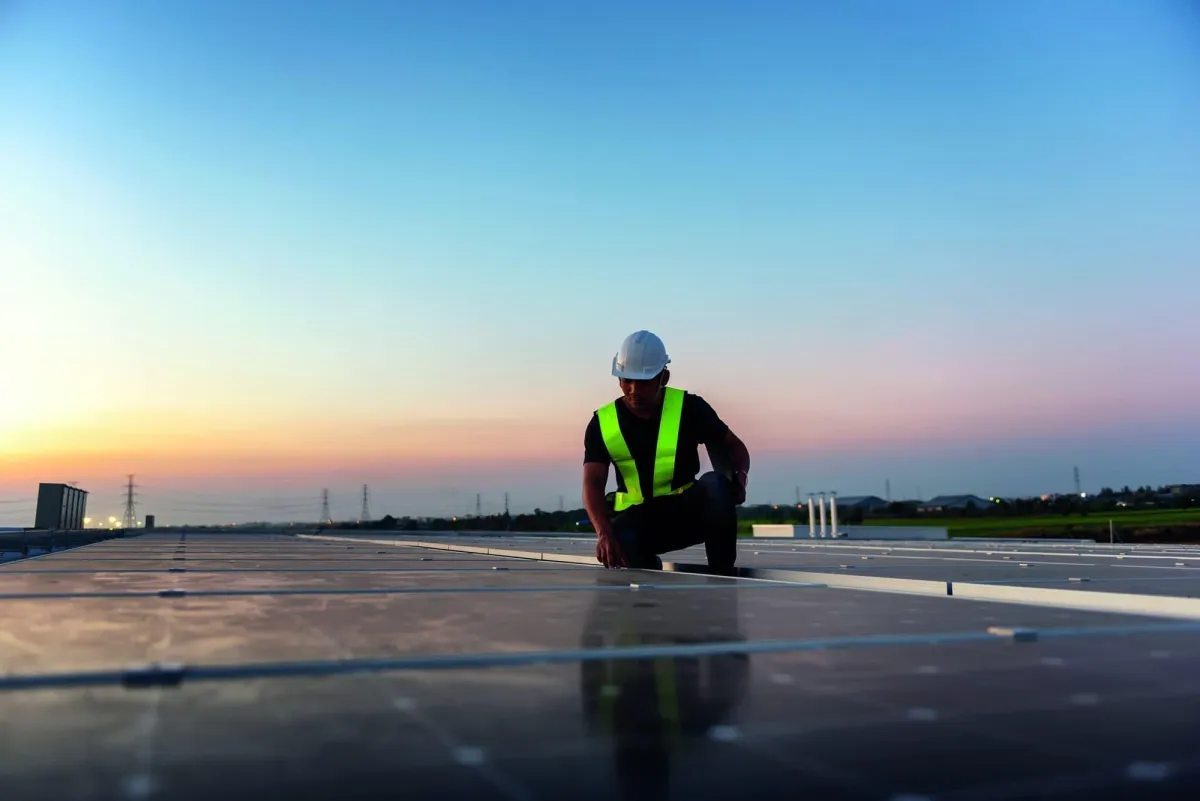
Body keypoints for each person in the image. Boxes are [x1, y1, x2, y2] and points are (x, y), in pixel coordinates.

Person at [581, 330, 751, 575]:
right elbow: (592, 484)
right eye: (626, 380)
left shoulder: (690, 408)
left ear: (664, 377)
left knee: (715, 485)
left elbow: (735, 447)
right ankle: (646, 566)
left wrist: (740, 478)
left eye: (643, 380)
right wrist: (603, 533)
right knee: (625, 547)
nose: (633, 389)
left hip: (686, 516)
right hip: (636, 522)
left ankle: (722, 574)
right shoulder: (602, 423)